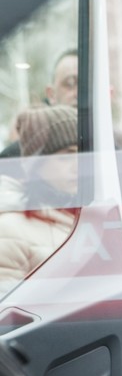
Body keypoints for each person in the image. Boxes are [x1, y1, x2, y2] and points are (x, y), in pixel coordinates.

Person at [0, 105, 79, 294]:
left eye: (83, 153)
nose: (78, 164)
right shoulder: (9, 229)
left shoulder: (94, 213)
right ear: (36, 164)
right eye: (66, 157)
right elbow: (8, 308)